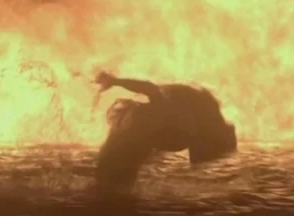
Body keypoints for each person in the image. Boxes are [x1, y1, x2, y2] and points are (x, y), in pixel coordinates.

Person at [93, 71, 237, 191]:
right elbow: (150, 89)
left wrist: (115, 81)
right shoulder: (153, 130)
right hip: (177, 121)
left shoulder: (167, 118)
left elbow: (150, 89)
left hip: (180, 117)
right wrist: (115, 81)